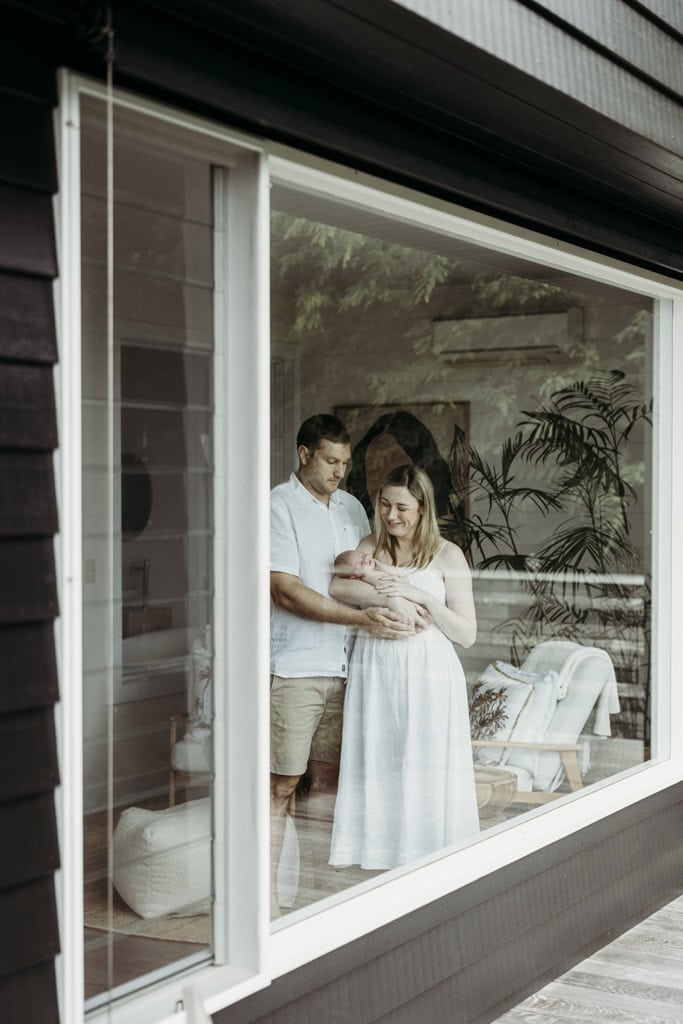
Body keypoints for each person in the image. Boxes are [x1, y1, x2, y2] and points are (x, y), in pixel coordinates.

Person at [269, 414, 424, 914]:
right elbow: (285, 591)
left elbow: (373, 571)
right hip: (295, 667)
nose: (340, 471)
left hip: (351, 669)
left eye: (346, 462)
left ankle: (313, 902)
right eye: (332, 461)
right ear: (304, 455)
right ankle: (266, 908)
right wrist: (362, 620)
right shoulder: (277, 506)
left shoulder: (355, 509)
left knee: (329, 785)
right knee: (282, 785)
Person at [329, 463, 480, 870]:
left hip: (428, 670)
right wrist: (387, 599)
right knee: (380, 755)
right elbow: (337, 586)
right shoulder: (369, 546)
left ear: (423, 509)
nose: (391, 515)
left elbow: (466, 633)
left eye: (402, 507)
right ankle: (381, 852)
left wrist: (422, 597)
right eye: (384, 504)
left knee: (424, 758)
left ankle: (429, 855)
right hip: (376, 669)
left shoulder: (448, 555)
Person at [333, 548, 401, 584]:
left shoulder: (374, 568)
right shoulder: (368, 577)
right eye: (361, 563)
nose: (366, 559)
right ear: (353, 577)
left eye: (363, 555)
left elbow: (397, 573)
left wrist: (381, 566)